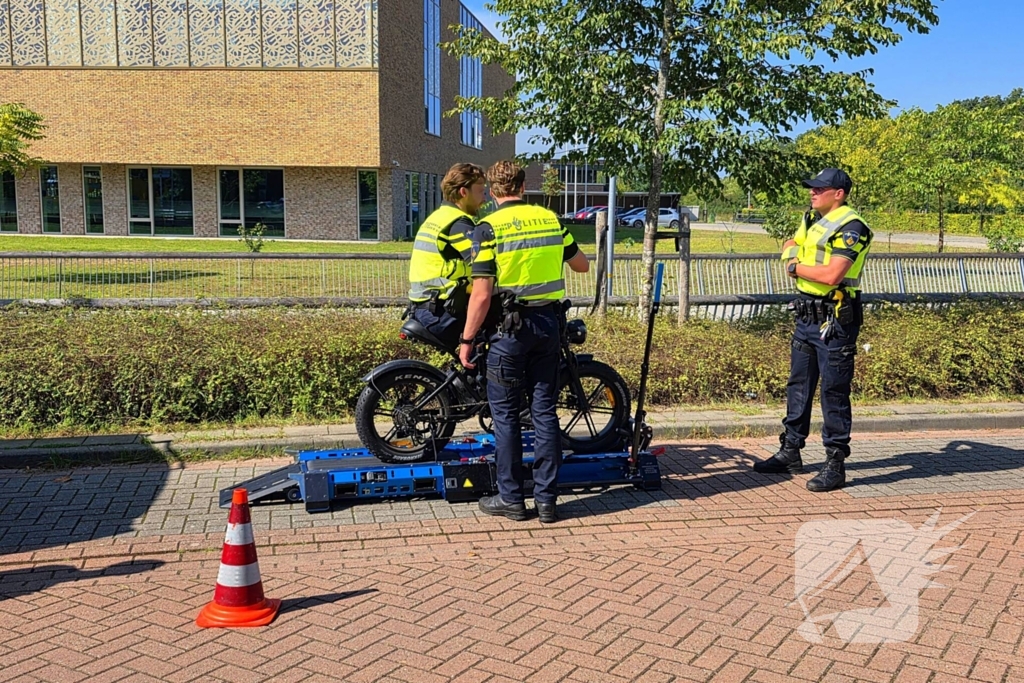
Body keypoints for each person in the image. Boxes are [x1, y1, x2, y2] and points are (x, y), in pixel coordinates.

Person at [458, 160, 589, 523]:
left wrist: (467, 339)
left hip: (509, 332)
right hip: (548, 326)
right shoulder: (551, 220)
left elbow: (481, 294)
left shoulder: (487, 229)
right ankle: (547, 502)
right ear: (523, 186)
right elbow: (581, 265)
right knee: (544, 411)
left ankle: (511, 499)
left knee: (506, 416)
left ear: (493, 191)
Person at [753, 168, 873, 492]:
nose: (812, 192)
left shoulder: (852, 226)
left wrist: (794, 267)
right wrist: (796, 260)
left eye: (820, 188)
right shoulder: (811, 218)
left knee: (833, 392)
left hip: (835, 320)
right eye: (812, 187)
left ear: (839, 194)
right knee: (799, 386)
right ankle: (790, 451)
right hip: (806, 315)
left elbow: (833, 274)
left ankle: (835, 463)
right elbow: (791, 243)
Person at [405, 163, 488, 350]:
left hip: (425, 307)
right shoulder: (458, 224)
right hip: (442, 312)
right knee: (501, 337)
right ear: (463, 192)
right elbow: (484, 264)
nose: (484, 199)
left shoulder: (438, 217)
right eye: (481, 191)